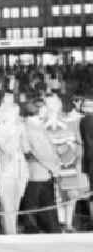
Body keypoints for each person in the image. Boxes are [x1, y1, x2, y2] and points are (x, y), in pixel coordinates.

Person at [44, 94, 88, 231]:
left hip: (68, 161)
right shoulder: (44, 123)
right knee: (57, 194)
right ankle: (61, 222)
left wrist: (71, 147)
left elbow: (74, 140)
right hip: (52, 163)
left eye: (55, 103)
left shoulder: (66, 121)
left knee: (71, 194)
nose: (54, 106)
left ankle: (68, 223)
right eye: (51, 104)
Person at [21, 100, 61, 233]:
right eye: (44, 109)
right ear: (37, 110)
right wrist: (53, 167)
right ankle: (34, 229)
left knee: (45, 202)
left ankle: (50, 228)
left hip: (45, 171)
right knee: (36, 203)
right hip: (37, 171)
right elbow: (38, 151)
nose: (46, 111)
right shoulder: (30, 127)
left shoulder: (37, 125)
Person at [0, 100, 29, 235]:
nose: (16, 116)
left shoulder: (19, 129)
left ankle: (9, 234)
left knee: (15, 208)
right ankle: (12, 236)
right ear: (6, 114)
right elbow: (9, 149)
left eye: (17, 114)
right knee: (7, 208)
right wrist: (16, 133)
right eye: (13, 113)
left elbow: (26, 149)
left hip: (20, 172)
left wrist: (23, 133)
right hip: (5, 173)